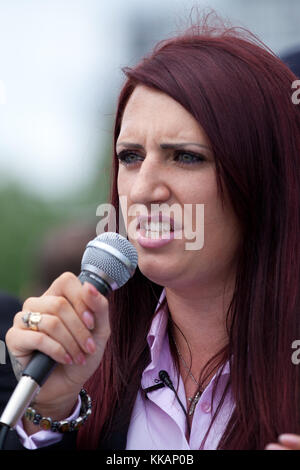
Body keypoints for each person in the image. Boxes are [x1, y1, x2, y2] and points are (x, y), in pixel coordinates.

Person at [4, 12, 300, 450]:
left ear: (261, 178)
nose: (143, 190)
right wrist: (49, 410)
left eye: (185, 157)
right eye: (130, 156)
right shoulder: (87, 361)